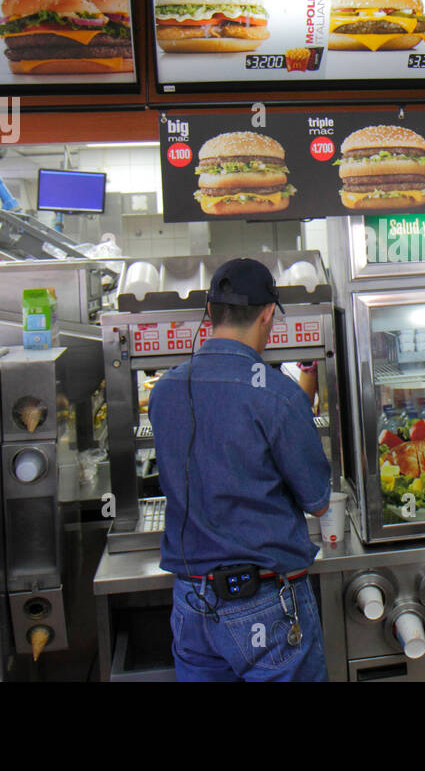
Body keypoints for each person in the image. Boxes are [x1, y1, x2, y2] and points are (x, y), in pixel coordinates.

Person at [150, 257, 332, 681]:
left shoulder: (165, 391)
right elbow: (318, 501)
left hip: (191, 602)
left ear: (211, 314)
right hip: (264, 601)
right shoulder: (278, 396)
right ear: (269, 315)